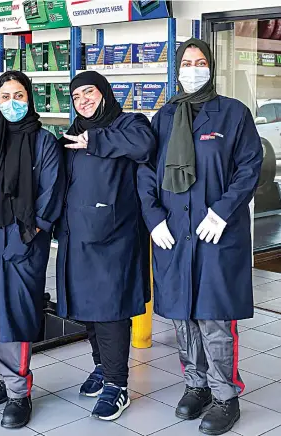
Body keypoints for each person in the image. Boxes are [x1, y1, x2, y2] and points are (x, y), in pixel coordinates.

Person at [137, 38, 263, 435]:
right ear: (177, 69)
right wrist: (154, 219)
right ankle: (196, 385)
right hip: (174, 233)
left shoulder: (232, 114)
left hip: (215, 235)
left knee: (214, 317)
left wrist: (223, 212)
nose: (193, 68)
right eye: (187, 62)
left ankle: (226, 396)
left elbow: (250, 167)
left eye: (200, 61)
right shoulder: (164, 117)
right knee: (182, 315)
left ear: (211, 67)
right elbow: (145, 172)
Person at [0, 71, 64, 429]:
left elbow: (51, 194)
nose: (12, 103)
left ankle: (19, 392)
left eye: (18, 95)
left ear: (30, 98)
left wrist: (29, 233)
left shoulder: (44, 143)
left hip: (24, 242)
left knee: (17, 313)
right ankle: (7, 377)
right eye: (4, 97)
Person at [55, 71, 156, 421]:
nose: (83, 100)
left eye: (89, 92)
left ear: (105, 93)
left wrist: (93, 141)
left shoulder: (130, 123)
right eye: (76, 96)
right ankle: (101, 367)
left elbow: (144, 147)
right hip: (77, 236)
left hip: (115, 237)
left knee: (111, 309)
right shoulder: (72, 131)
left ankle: (117, 384)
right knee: (88, 309)